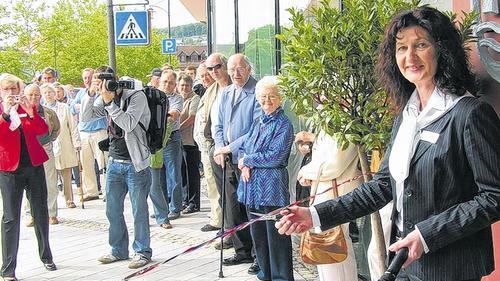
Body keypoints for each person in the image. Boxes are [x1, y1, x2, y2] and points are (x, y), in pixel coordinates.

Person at [276, 7, 500, 281]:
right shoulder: (406, 115)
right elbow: (382, 186)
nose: (410, 57)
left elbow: (493, 197)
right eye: (402, 48)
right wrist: (315, 215)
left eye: (421, 45)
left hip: (451, 269)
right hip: (404, 264)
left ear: (442, 50)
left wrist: (426, 236)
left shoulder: (469, 113)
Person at [92, 66, 153, 269]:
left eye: (108, 82)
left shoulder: (136, 97)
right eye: (101, 83)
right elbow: (86, 116)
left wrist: (110, 102)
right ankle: (118, 250)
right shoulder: (104, 96)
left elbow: (127, 123)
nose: (106, 87)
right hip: (114, 163)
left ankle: (142, 251)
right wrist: (91, 93)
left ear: (115, 80)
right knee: (112, 209)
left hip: (136, 164)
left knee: (139, 211)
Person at [0, 74, 57, 281]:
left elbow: (43, 131)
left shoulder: (26, 108)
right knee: (10, 217)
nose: (11, 93)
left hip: (33, 165)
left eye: (14, 89)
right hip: (9, 168)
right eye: (6, 90)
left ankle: (46, 255)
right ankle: (8, 268)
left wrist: (32, 112)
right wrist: (6, 114)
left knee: (40, 212)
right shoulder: (2, 111)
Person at [238, 76, 294, 281]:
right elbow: (244, 147)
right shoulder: (257, 121)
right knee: (259, 237)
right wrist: (244, 163)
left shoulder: (284, 124)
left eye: (272, 96)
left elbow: (276, 156)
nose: (267, 101)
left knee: (277, 238)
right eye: (263, 96)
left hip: (272, 190)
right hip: (252, 189)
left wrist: (248, 160)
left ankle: (281, 277)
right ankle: (265, 274)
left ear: (280, 98)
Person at [211, 53, 261, 273]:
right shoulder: (227, 92)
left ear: (249, 69)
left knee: (253, 207)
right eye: (232, 69)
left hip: (248, 158)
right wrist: (220, 147)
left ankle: (260, 255)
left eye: (240, 68)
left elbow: (255, 129)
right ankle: (242, 250)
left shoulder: (257, 91)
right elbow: (218, 125)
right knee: (233, 205)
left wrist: (229, 147)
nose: (236, 73)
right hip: (228, 157)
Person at [297, 129, 362, 281]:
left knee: (332, 247)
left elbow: (334, 165)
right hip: (324, 192)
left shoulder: (344, 117)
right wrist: (308, 175)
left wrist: (306, 171)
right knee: (329, 249)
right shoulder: (327, 116)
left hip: (336, 195)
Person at [24, 84, 61, 226]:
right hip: (27, 150)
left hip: (45, 148)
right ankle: (32, 214)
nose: (34, 98)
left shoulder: (48, 112)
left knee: (50, 181)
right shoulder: (20, 112)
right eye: (30, 95)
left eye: (36, 95)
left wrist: (49, 140)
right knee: (29, 183)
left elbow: (56, 128)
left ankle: (51, 213)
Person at [70, 68, 107, 201]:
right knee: (86, 164)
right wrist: (79, 107)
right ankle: (92, 191)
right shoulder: (81, 93)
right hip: (84, 132)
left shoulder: (101, 91)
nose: (87, 80)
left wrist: (85, 106)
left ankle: (107, 190)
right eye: (85, 78)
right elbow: (72, 108)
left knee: (104, 163)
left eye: (90, 78)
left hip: (99, 130)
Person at [41, 83, 80, 209]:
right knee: (51, 177)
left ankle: (69, 199)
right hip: (49, 145)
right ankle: (52, 203)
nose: (48, 95)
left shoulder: (63, 107)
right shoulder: (41, 109)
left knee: (66, 173)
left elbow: (72, 126)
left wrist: (76, 142)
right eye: (45, 92)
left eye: (50, 92)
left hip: (64, 143)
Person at [193, 58, 221, 233]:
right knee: (211, 184)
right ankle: (215, 216)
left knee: (216, 186)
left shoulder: (217, 91)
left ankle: (219, 219)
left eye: (207, 74)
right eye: (201, 76)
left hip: (213, 146)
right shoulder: (207, 91)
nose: (205, 78)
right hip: (205, 147)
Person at [158, 70, 184, 220]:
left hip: (171, 138)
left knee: (173, 174)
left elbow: (173, 115)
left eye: (170, 82)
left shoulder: (176, 98)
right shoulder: (152, 96)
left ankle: (175, 207)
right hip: (156, 140)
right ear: (159, 81)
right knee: (158, 175)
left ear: (175, 85)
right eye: (165, 82)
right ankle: (162, 207)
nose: (167, 85)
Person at [178, 74, 201, 214]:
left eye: (187, 85)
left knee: (191, 172)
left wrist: (177, 127)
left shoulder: (194, 99)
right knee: (182, 173)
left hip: (190, 141)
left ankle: (193, 202)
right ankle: (184, 200)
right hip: (180, 142)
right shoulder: (179, 98)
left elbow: (192, 118)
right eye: (182, 85)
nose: (184, 88)